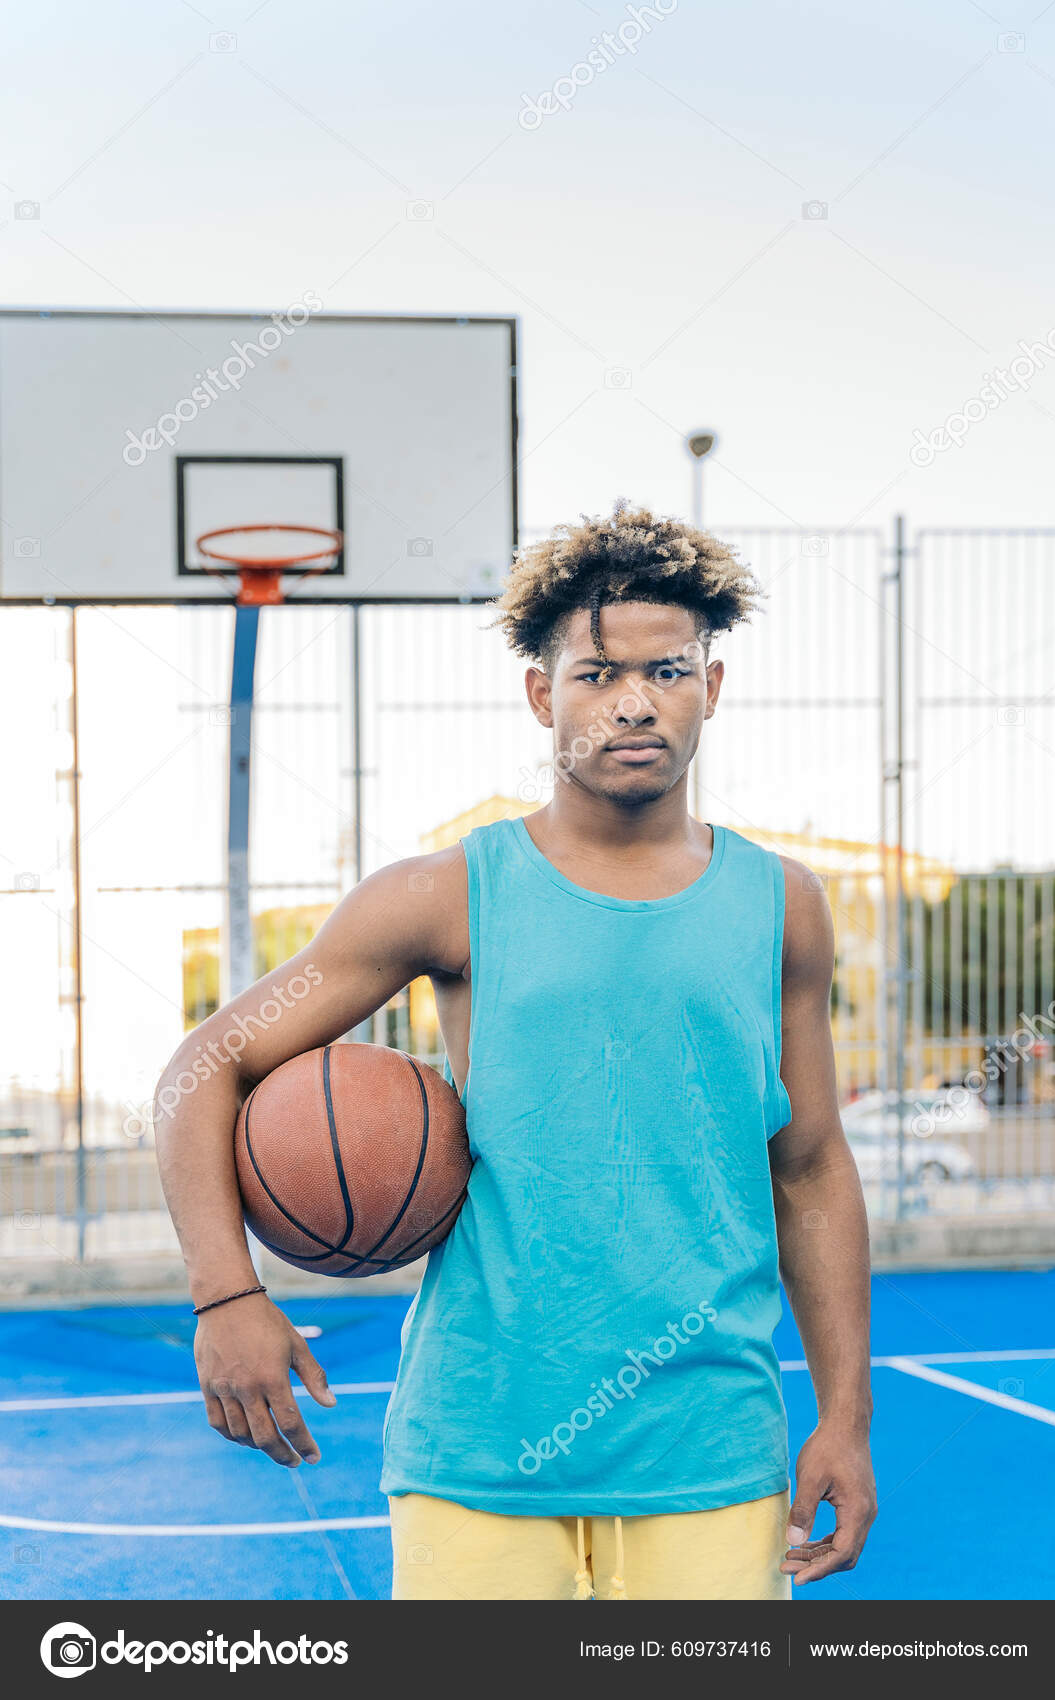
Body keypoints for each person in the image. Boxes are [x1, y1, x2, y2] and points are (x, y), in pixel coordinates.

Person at [156, 500, 876, 1601]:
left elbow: (811, 1164)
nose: (632, 701)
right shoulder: (441, 893)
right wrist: (224, 1292)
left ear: (710, 689)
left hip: (710, 1448)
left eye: (667, 669)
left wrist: (844, 1414)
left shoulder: (784, 905)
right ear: (542, 694)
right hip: (481, 1443)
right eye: (593, 674)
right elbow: (204, 1067)